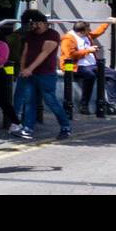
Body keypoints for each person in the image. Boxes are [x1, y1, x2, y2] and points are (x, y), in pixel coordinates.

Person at [16, 10, 71, 140]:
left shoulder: (52, 35)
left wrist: (29, 69)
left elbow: (44, 53)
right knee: (29, 101)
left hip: (45, 74)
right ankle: (28, 128)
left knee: (51, 101)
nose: (31, 27)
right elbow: (25, 52)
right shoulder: (30, 35)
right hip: (30, 74)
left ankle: (65, 127)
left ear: (42, 23)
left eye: (33, 24)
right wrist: (23, 68)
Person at [61, 20, 116, 113]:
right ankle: (84, 104)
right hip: (76, 66)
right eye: (88, 29)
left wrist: (107, 22)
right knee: (90, 75)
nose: (90, 31)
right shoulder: (68, 39)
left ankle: (113, 102)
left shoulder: (86, 35)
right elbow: (70, 55)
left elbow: (97, 32)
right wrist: (88, 50)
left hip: (92, 64)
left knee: (112, 73)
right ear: (81, 31)